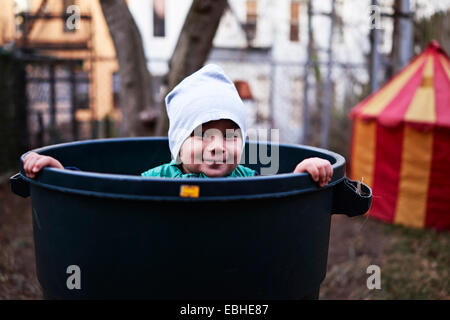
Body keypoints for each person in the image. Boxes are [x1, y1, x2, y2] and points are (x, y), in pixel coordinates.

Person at [23, 64, 333, 187]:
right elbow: (107, 194)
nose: (216, 145)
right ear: (178, 144)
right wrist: (60, 174)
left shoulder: (247, 178)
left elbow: (279, 204)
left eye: (230, 136)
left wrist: (302, 174)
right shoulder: (158, 178)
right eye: (201, 134)